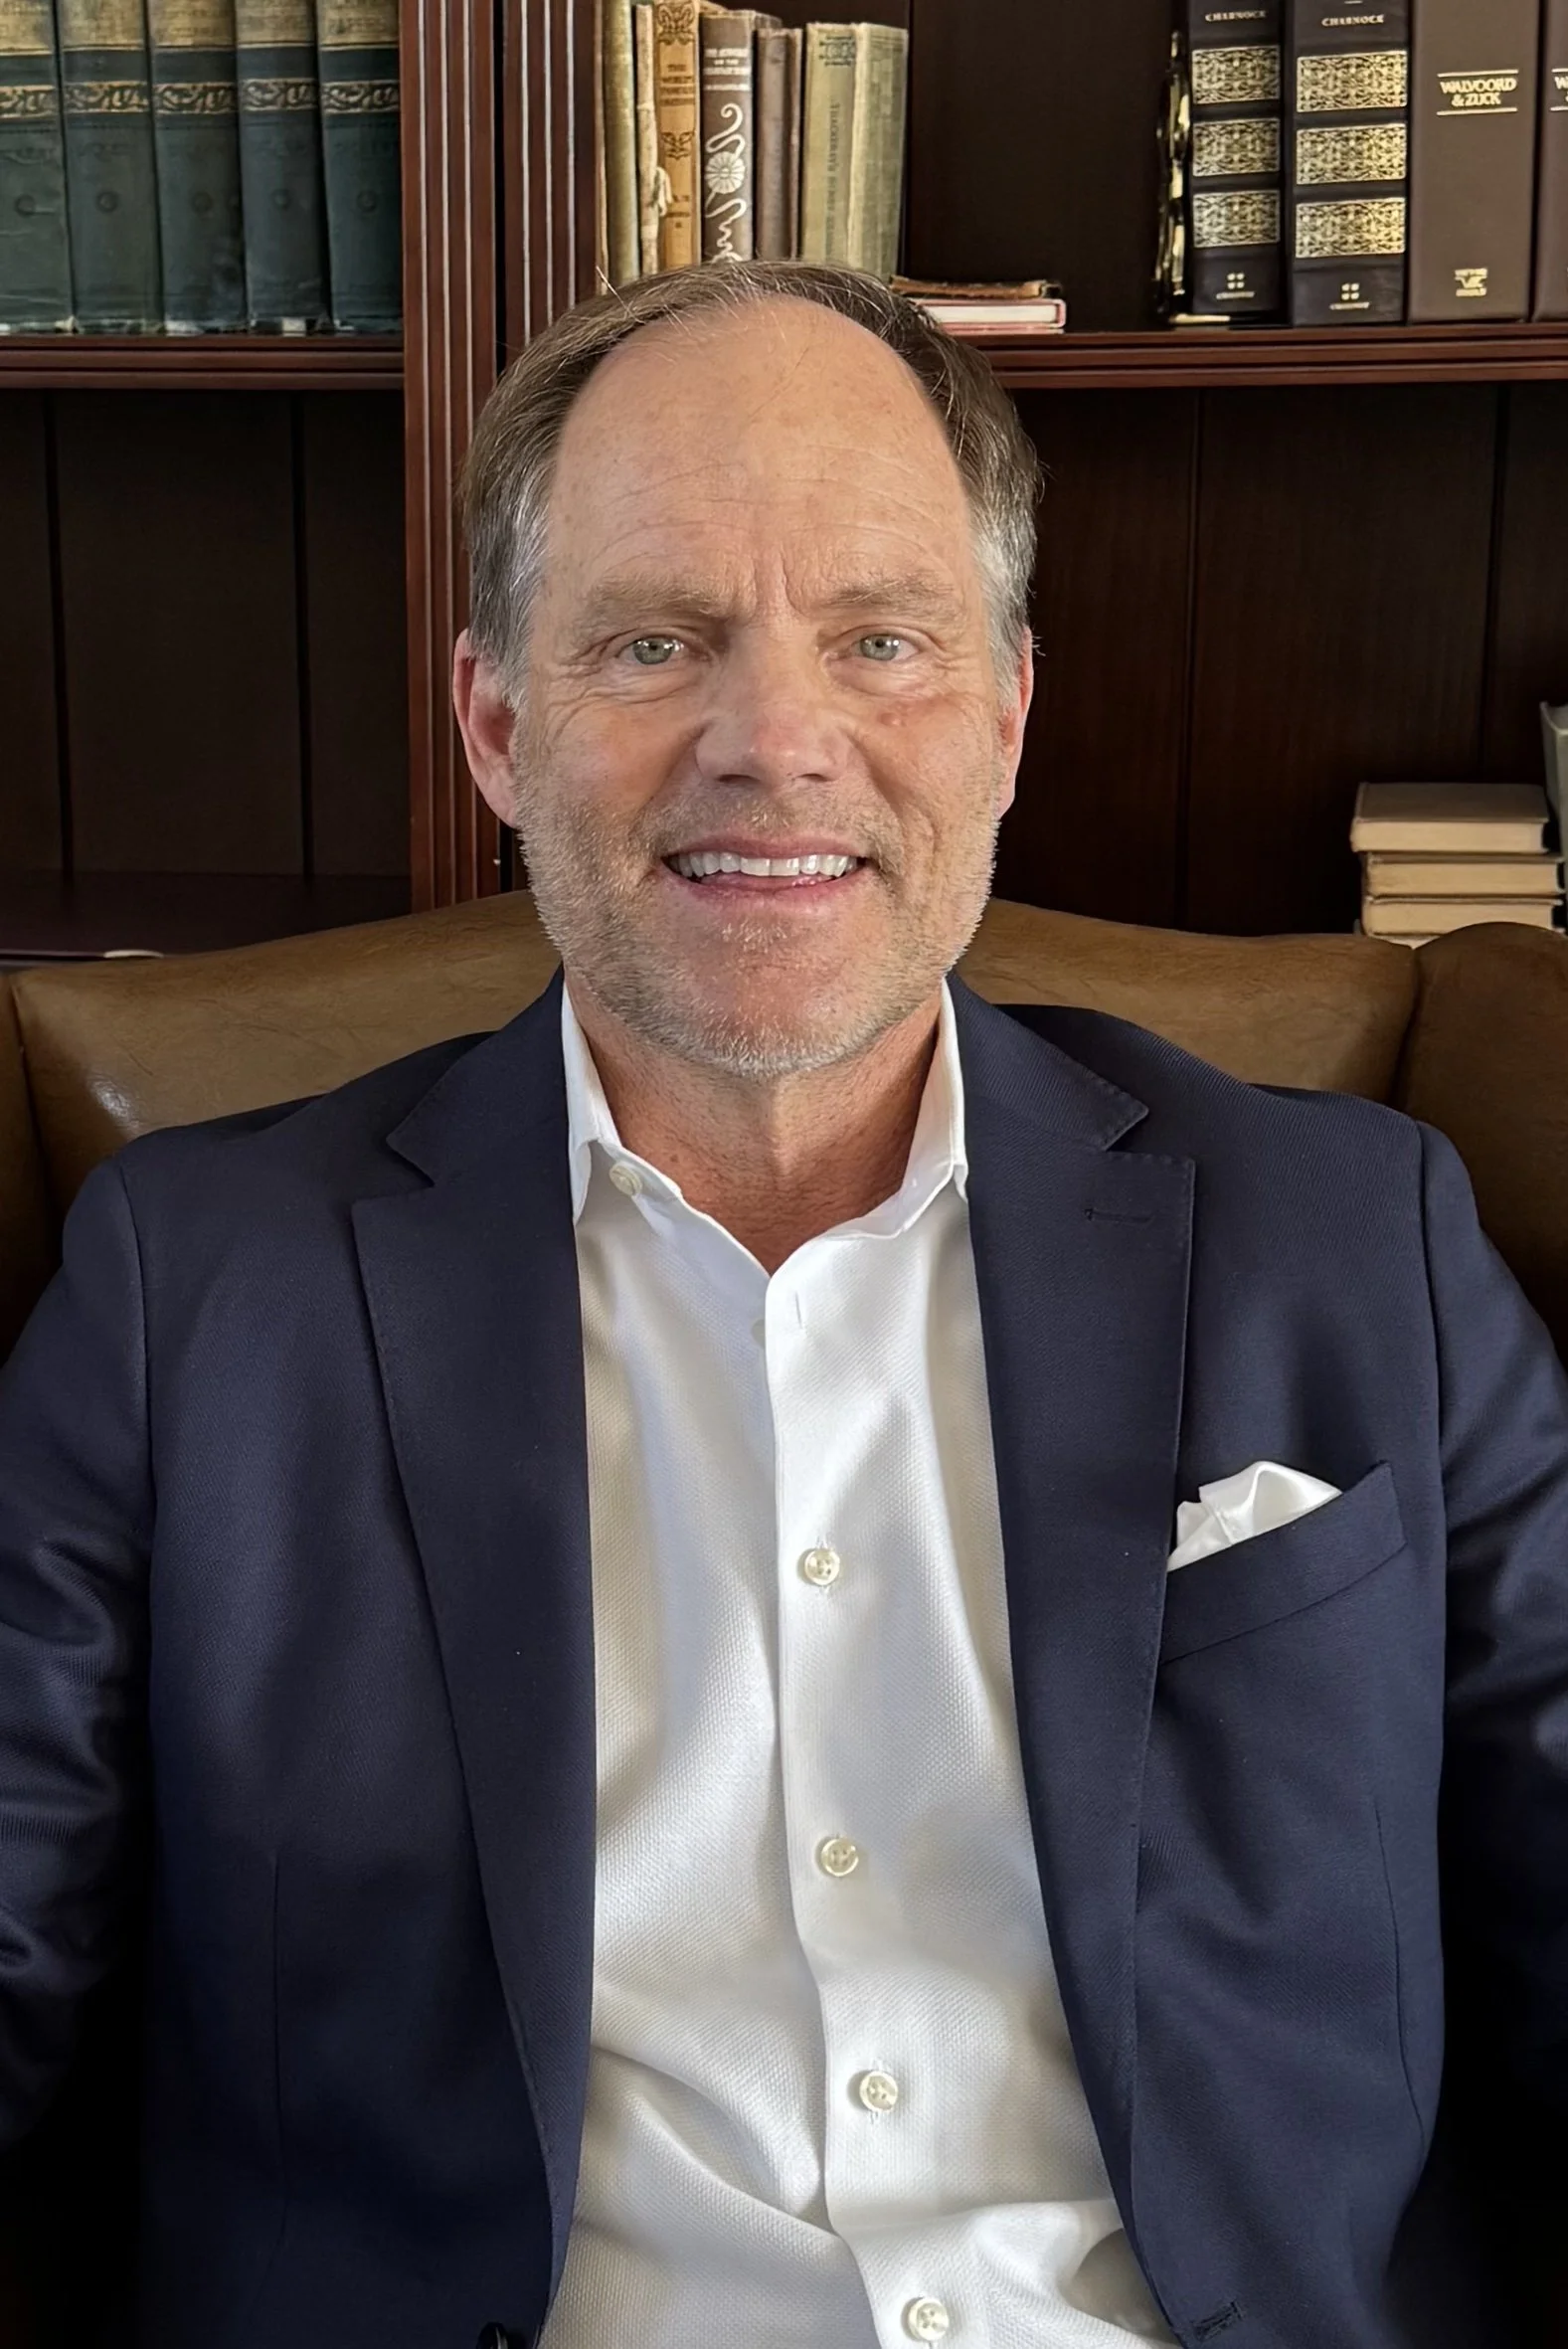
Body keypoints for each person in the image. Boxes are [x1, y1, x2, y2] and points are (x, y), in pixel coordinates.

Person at [2, 260, 1568, 2349]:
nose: (774, 741)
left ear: (1002, 717)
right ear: (496, 720)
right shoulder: (190, 1296)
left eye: (879, 639)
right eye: (655, 640)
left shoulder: (1353, 1241)